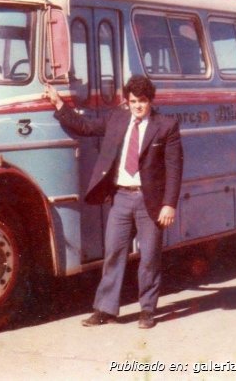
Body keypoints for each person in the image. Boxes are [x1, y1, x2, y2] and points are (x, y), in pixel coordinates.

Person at [44, 75, 183, 329]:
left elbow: (174, 168)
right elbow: (86, 127)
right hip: (121, 198)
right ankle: (105, 309)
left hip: (148, 201)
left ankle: (147, 311)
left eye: (142, 101)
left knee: (149, 257)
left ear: (150, 100)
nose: (137, 106)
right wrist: (59, 104)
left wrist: (169, 204)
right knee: (113, 253)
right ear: (126, 101)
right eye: (133, 101)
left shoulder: (166, 126)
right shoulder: (117, 118)